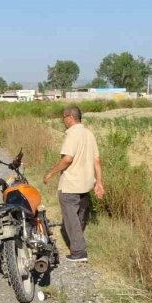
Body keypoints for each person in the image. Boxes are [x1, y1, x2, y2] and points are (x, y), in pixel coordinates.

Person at [42, 105, 105, 263]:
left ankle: (78, 252)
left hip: (71, 185)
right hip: (86, 184)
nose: (63, 121)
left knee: (71, 220)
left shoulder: (71, 135)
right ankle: (77, 244)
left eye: (64, 118)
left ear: (70, 117)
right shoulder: (89, 134)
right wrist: (99, 182)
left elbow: (67, 159)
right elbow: (96, 160)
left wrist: (51, 172)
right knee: (80, 217)